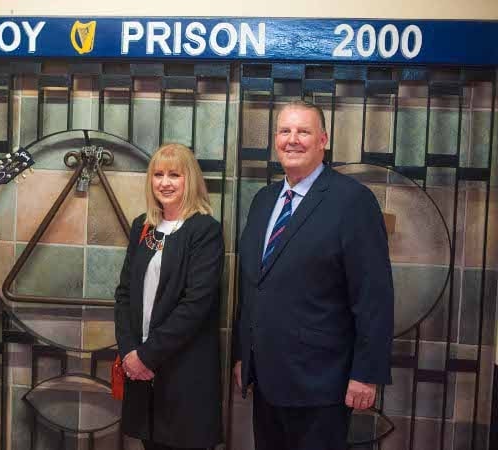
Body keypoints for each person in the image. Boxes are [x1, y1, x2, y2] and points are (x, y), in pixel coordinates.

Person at [233, 100, 394, 450]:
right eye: (285, 131)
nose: (293, 139)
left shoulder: (353, 201)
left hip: (321, 384)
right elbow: (252, 287)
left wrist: (366, 374)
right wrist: (244, 355)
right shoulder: (264, 200)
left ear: (323, 139)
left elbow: (373, 296)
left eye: (303, 131)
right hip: (267, 378)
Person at [114, 143, 224, 450]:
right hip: (141, 372)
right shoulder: (143, 227)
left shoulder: (204, 231)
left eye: (174, 174)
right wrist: (129, 353)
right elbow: (124, 294)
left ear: (190, 180)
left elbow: (195, 305)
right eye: (158, 174)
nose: (165, 182)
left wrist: (147, 355)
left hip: (184, 373)